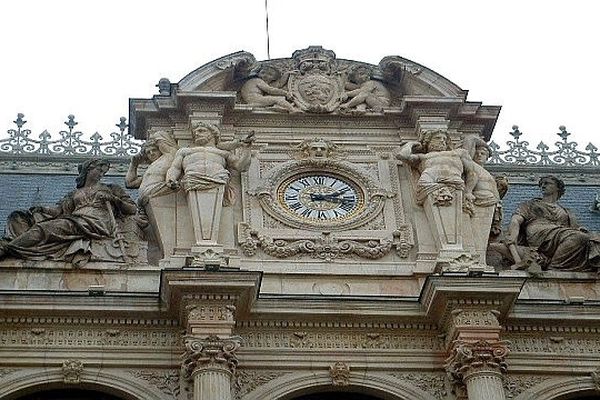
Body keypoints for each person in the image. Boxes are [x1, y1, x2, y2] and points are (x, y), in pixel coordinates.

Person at [0, 159, 137, 264]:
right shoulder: (74, 194)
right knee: (18, 217)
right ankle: (19, 244)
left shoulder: (111, 188)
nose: (102, 174)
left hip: (95, 223)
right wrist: (42, 209)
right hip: (75, 220)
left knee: (44, 227)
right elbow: (59, 211)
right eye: (99, 170)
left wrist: (114, 199)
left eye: (103, 172)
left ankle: (8, 248)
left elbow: (132, 209)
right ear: (88, 170)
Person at [506, 175, 600, 271]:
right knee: (579, 236)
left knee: (593, 239)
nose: (543, 186)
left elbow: (573, 228)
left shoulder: (566, 211)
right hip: (540, 233)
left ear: (557, 187)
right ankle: (554, 267)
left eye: (547, 183)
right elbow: (516, 219)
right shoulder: (531, 204)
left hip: (563, 235)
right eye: (541, 184)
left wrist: (580, 229)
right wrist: (513, 234)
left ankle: (554, 265)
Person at [166, 121, 253, 205]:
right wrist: (171, 179)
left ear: (213, 133)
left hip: (218, 180)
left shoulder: (223, 153)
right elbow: (175, 168)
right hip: (192, 181)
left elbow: (241, 166)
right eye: (195, 132)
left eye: (201, 131)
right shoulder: (184, 151)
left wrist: (246, 149)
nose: (196, 134)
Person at [395, 130, 476, 206]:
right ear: (428, 142)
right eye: (437, 138)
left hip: (454, 182)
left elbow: (471, 172)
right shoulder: (423, 157)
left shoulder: (459, 153)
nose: (442, 141)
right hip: (428, 182)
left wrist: (469, 191)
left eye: (444, 139)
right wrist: (411, 144)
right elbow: (402, 155)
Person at [126, 130, 178, 205]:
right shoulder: (151, 168)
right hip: (146, 201)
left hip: (158, 196)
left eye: (154, 150)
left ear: (160, 149)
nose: (151, 153)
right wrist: (134, 165)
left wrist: (153, 134)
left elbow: (161, 136)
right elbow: (130, 183)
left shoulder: (168, 157)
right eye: (148, 152)